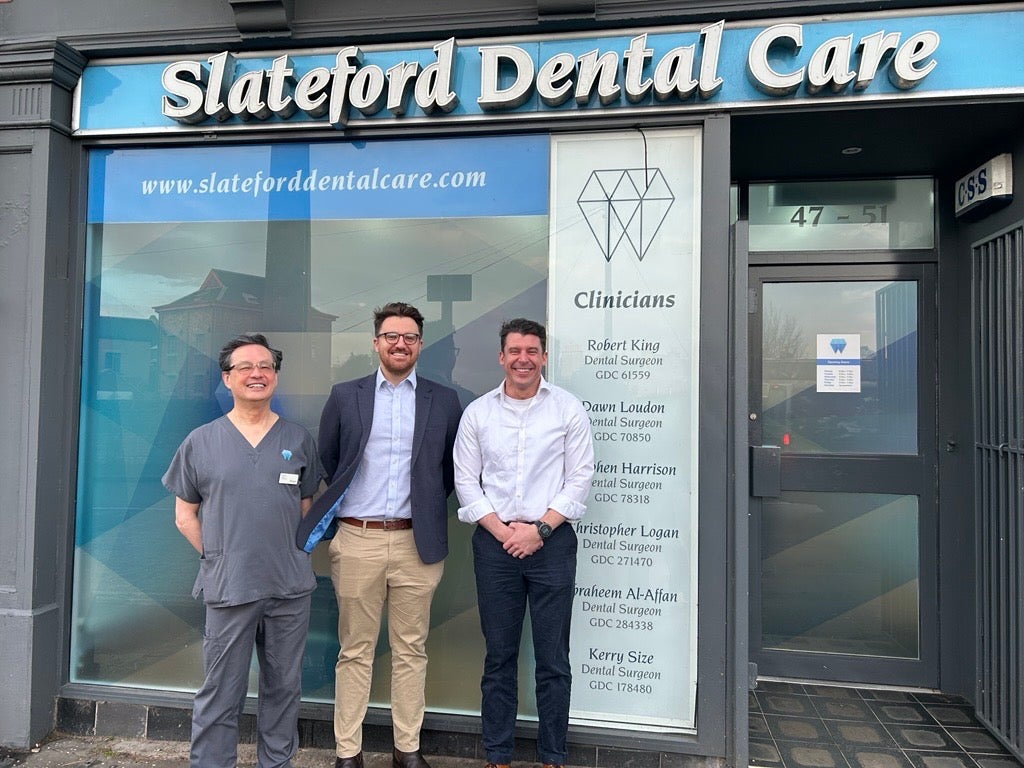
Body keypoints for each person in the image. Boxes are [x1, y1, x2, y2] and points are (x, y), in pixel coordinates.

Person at [297, 302, 463, 768]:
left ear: (419, 345)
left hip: (417, 543)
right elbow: (331, 457)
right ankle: (347, 752)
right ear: (376, 342)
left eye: (409, 336)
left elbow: (446, 472)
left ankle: (406, 750)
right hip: (358, 540)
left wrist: (425, 509)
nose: (400, 343)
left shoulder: (442, 400)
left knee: (412, 650)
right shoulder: (345, 395)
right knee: (355, 650)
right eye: (391, 335)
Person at [163, 332, 322, 768]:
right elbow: (184, 516)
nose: (258, 373)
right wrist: (219, 556)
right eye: (246, 367)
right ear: (227, 378)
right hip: (229, 588)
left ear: (275, 376)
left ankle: (277, 763)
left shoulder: (298, 439)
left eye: (266, 366)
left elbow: (306, 511)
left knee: (283, 689)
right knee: (221, 692)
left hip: (289, 590)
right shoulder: (200, 441)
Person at [453, 318, 595, 768]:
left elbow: (579, 480)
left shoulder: (568, 409)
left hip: (551, 544)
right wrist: (504, 533)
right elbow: (465, 483)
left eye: (532, 351)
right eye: (515, 350)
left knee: (554, 658)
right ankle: (498, 755)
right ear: (502, 357)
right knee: (499, 657)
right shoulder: (478, 413)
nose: (523, 359)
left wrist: (539, 531)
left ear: (544, 356)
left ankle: (553, 755)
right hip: (495, 548)